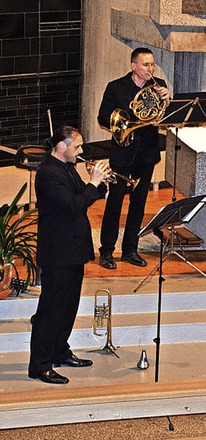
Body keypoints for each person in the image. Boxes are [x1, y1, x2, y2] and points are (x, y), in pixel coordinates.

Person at [29, 126, 110, 384]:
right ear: (61, 146)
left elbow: (83, 199)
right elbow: (74, 205)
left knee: (68, 307)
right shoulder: (47, 174)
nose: (82, 151)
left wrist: (101, 186)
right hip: (57, 252)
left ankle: (60, 352)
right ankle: (39, 364)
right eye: (77, 147)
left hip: (73, 249)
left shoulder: (67, 168)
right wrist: (93, 183)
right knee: (51, 310)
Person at [97, 47, 170, 270]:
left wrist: (167, 102)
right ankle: (107, 251)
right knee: (114, 203)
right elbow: (103, 117)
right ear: (134, 66)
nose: (150, 69)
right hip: (122, 152)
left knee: (138, 204)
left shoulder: (158, 87)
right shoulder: (116, 87)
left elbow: (162, 119)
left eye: (152, 64)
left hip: (146, 153)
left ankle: (130, 249)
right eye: (146, 65)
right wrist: (125, 123)